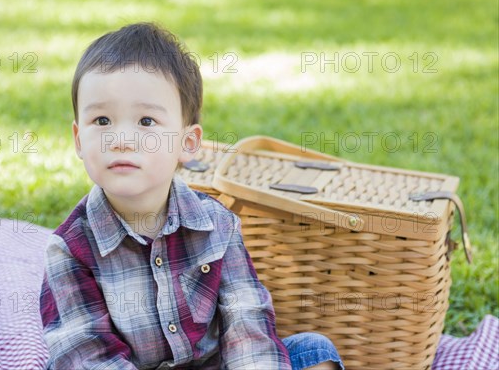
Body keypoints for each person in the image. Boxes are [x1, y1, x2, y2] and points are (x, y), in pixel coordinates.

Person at [39, 22, 344, 370]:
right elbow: (87, 355)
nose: (120, 139)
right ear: (79, 140)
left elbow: (247, 324)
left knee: (316, 352)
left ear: (187, 143)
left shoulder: (217, 224)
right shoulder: (70, 249)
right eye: (102, 120)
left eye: (147, 122)